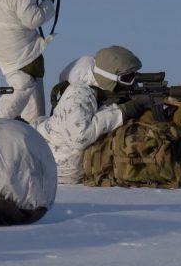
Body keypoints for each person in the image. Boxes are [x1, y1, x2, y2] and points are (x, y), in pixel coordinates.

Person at [32, 45, 144, 184]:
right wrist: (120, 112)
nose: (132, 83)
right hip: (50, 162)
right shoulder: (78, 95)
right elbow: (80, 137)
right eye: (127, 78)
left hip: (67, 165)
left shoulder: (101, 93)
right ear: (108, 78)